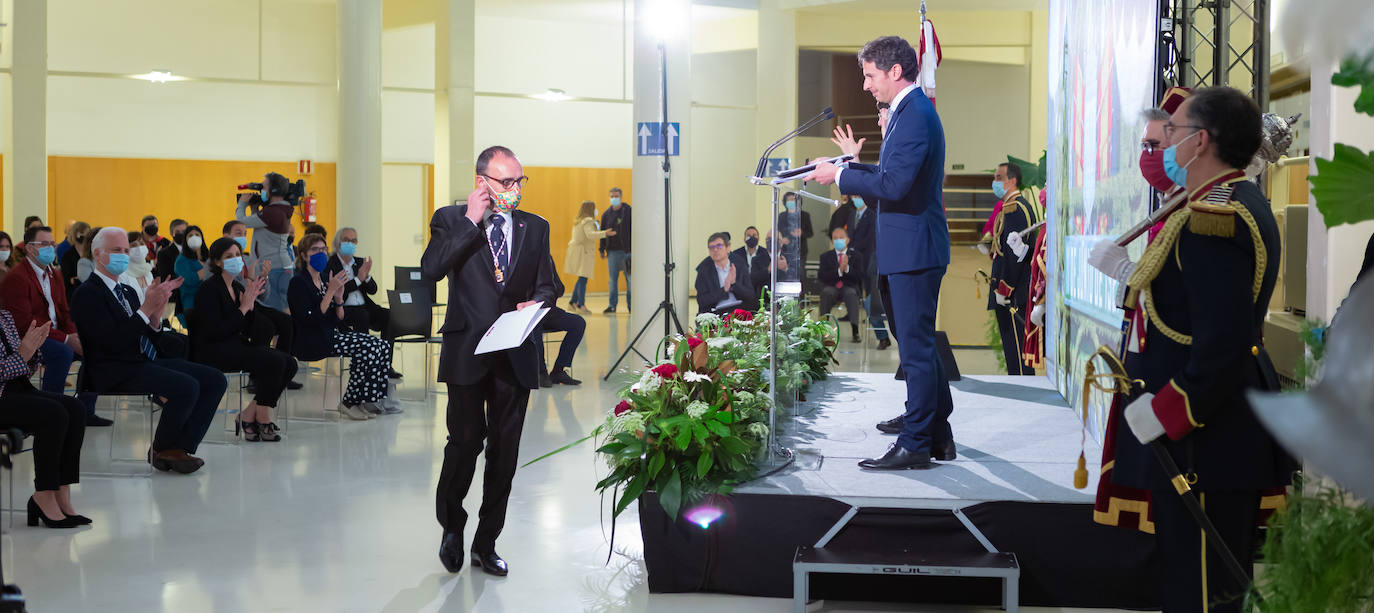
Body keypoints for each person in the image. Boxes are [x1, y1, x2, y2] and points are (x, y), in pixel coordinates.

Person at [1090, 86, 1289, 613]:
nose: (1163, 146)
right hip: (1212, 435)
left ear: (1200, 142)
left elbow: (1221, 346)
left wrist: (1165, 413)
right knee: (1198, 582)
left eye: (1171, 133)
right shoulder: (1221, 203)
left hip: (1207, 439)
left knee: (1202, 592)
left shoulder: (1214, 222)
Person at [807, 35, 954, 470]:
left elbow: (893, 187)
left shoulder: (913, 115)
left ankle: (916, 444)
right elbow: (891, 178)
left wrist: (840, 176)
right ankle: (936, 434)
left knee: (915, 349)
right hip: (905, 248)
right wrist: (848, 168)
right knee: (918, 347)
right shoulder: (908, 112)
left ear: (894, 71)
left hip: (915, 250)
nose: (867, 86)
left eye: (870, 76)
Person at [422, 145, 558, 576]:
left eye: (520, 180)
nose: (515, 189)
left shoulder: (536, 227)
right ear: (482, 181)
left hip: (514, 351)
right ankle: (452, 525)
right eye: (506, 181)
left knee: (505, 452)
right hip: (467, 351)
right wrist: (470, 221)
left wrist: (536, 302)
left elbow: (549, 283)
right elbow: (432, 269)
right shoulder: (450, 219)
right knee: (464, 444)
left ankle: (486, 541)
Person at [70, 227, 226, 475]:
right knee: (187, 386)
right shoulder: (86, 295)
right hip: (111, 368)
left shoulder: (128, 290)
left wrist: (155, 316)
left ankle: (179, 447)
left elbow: (147, 334)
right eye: (116, 250)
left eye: (125, 250)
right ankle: (163, 448)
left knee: (215, 379)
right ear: (98, 255)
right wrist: (145, 310)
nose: (124, 254)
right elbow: (112, 342)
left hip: (139, 361)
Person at [190, 237, 297, 442]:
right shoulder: (208, 290)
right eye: (229, 256)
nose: (236, 259)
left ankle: (250, 413)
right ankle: (263, 417)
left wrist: (250, 307)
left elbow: (249, 325)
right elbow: (216, 331)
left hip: (235, 345)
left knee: (289, 363)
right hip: (214, 350)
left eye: (238, 255)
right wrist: (243, 309)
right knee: (274, 362)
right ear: (218, 262)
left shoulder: (237, 287)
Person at [0, 226, 104, 426]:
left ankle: (85, 411)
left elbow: (64, 311)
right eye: (45, 244)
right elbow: (24, 322)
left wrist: (75, 335)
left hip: (54, 332)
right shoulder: (17, 277)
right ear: (30, 249)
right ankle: (51, 408)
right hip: (29, 337)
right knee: (62, 352)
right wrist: (66, 339)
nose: (51, 248)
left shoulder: (54, 275)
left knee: (93, 348)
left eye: (52, 243)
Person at [288, 233, 398, 420]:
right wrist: (330, 292)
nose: (321, 253)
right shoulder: (298, 282)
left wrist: (338, 299)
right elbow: (311, 319)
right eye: (315, 250)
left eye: (323, 249)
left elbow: (338, 317)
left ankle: (367, 400)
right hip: (313, 338)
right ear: (304, 255)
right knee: (368, 347)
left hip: (333, 332)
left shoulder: (324, 278)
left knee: (381, 345)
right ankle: (349, 401)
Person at [0, 311, 89, 528]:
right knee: (53, 414)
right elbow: (15, 361)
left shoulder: (4, 316)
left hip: (16, 389)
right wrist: (22, 354)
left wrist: (32, 352)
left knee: (75, 408)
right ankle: (44, 494)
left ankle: (61, 492)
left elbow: (20, 367)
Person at [987, 162, 1041, 375]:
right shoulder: (1015, 206)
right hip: (1013, 291)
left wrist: (1004, 288)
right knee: (1013, 353)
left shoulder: (1015, 209)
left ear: (1012, 181)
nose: (995, 182)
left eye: (999, 177)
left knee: (1017, 356)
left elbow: (1014, 255)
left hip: (1013, 294)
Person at [325, 228, 400, 379]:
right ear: (338, 242)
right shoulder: (331, 264)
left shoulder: (359, 262)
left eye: (353, 241)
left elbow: (373, 290)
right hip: (343, 308)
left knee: (389, 316)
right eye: (346, 240)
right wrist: (359, 279)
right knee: (362, 316)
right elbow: (340, 291)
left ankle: (385, 364)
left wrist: (366, 278)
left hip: (364, 306)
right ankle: (364, 365)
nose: (350, 243)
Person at [223, 220, 296, 361]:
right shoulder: (220, 261)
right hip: (239, 307)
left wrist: (264, 277)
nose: (243, 237)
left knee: (287, 321)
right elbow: (233, 290)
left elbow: (263, 296)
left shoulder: (249, 260)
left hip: (256, 304)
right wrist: (250, 278)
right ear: (226, 236)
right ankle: (259, 368)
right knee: (265, 326)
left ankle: (284, 365)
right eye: (238, 233)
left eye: (245, 233)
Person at [237, 173, 296, 312]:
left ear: (273, 190)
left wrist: (242, 203)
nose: (262, 190)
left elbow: (241, 223)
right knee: (280, 308)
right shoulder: (279, 210)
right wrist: (254, 209)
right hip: (278, 266)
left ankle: (282, 334)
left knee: (275, 310)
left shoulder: (273, 212)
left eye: (264, 187)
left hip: (274, 268)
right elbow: (260, 224)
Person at [537, 257, 587, 387]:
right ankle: (540, 372)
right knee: (535, 326)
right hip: (527, 313)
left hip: (548, 310)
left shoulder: (546, 258)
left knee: (578, 323)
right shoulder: (517, 257)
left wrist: (550, 290)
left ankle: (558, 370)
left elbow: (559, 287)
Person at [564, 200, 615, 313]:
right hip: (584, 253)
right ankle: (581, 305)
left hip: (578, 252)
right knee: (583, 279)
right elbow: (590, 235)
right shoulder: (587, 221)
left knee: (581, 278)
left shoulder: (579, 221)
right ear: (590, 209)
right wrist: (604, 233)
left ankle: (573, 302)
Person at [818, 226, 865, 342]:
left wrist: (847, 268)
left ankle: (855, 331)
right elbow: (822, 276)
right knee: (826, 293)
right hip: (832, 287)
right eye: (835, 238)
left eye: (841, 238)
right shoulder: (825, 256)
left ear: (847, 240)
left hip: (849, 287)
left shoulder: (856, 256)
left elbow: (859, 277)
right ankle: (823, 329)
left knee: (851, 294)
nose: (838, 240)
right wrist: (839, 270)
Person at [694, 232, 756, 316]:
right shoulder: (704, 271)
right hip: (716, 313)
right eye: (711, 247)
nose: (715, 250)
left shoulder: (739, 266)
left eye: (719, 246)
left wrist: (734, 284)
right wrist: (724, 290)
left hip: (739, 310)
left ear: (728, 248)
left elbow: (751, 296)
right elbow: (702, 301)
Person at [598, 187, 632, 314]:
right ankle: (612, 306)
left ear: (621, 197)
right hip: (612, 252)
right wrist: (602, 249)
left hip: (627, 252)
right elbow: (603, 232)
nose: (614, 199)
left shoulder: (628, 211)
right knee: (612, 280)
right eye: (612, 196)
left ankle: (631, 306)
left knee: (630, 280)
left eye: (616, 196)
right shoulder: (606, 214)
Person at [174, 225, 211, 315]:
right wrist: (211, 267)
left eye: (197, 235)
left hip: (211, 301)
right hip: (192, 304)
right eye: (190, 235)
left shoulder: (209, 257)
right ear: (185, 240)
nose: (194, 237)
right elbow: (189, 280)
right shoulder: (181, 260)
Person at [731, 226, 771, 304]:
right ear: (744, 238)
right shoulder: (736, 254)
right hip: (742, 293)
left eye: (754, 235)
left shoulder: (765, 253)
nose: (751, 238)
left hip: (760, 293)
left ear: (759, 238)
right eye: (748, 236)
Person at [776, 192, 814, 264]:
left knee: (801, 273)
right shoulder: (782, 216)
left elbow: (810, 233)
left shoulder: (805, 215)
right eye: (788, 200)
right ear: (785, 202)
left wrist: (801, 233)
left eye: (793, 200)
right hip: (785, 249)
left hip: (800, 251)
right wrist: (781, 239)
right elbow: (778, 232)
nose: (791, 202)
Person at [120, 232, 156, 304]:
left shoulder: (148, 273)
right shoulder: (122, 275)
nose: (139, 248)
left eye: (142, 244)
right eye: (133, 245)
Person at [60, 221, 91, 302]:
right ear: (74, 234)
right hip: (74, 296)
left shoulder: (91, 255)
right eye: (81, 233)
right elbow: (67, 280)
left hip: (90, 294)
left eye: (86, 233)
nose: (83, 236)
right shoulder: (67, 256)